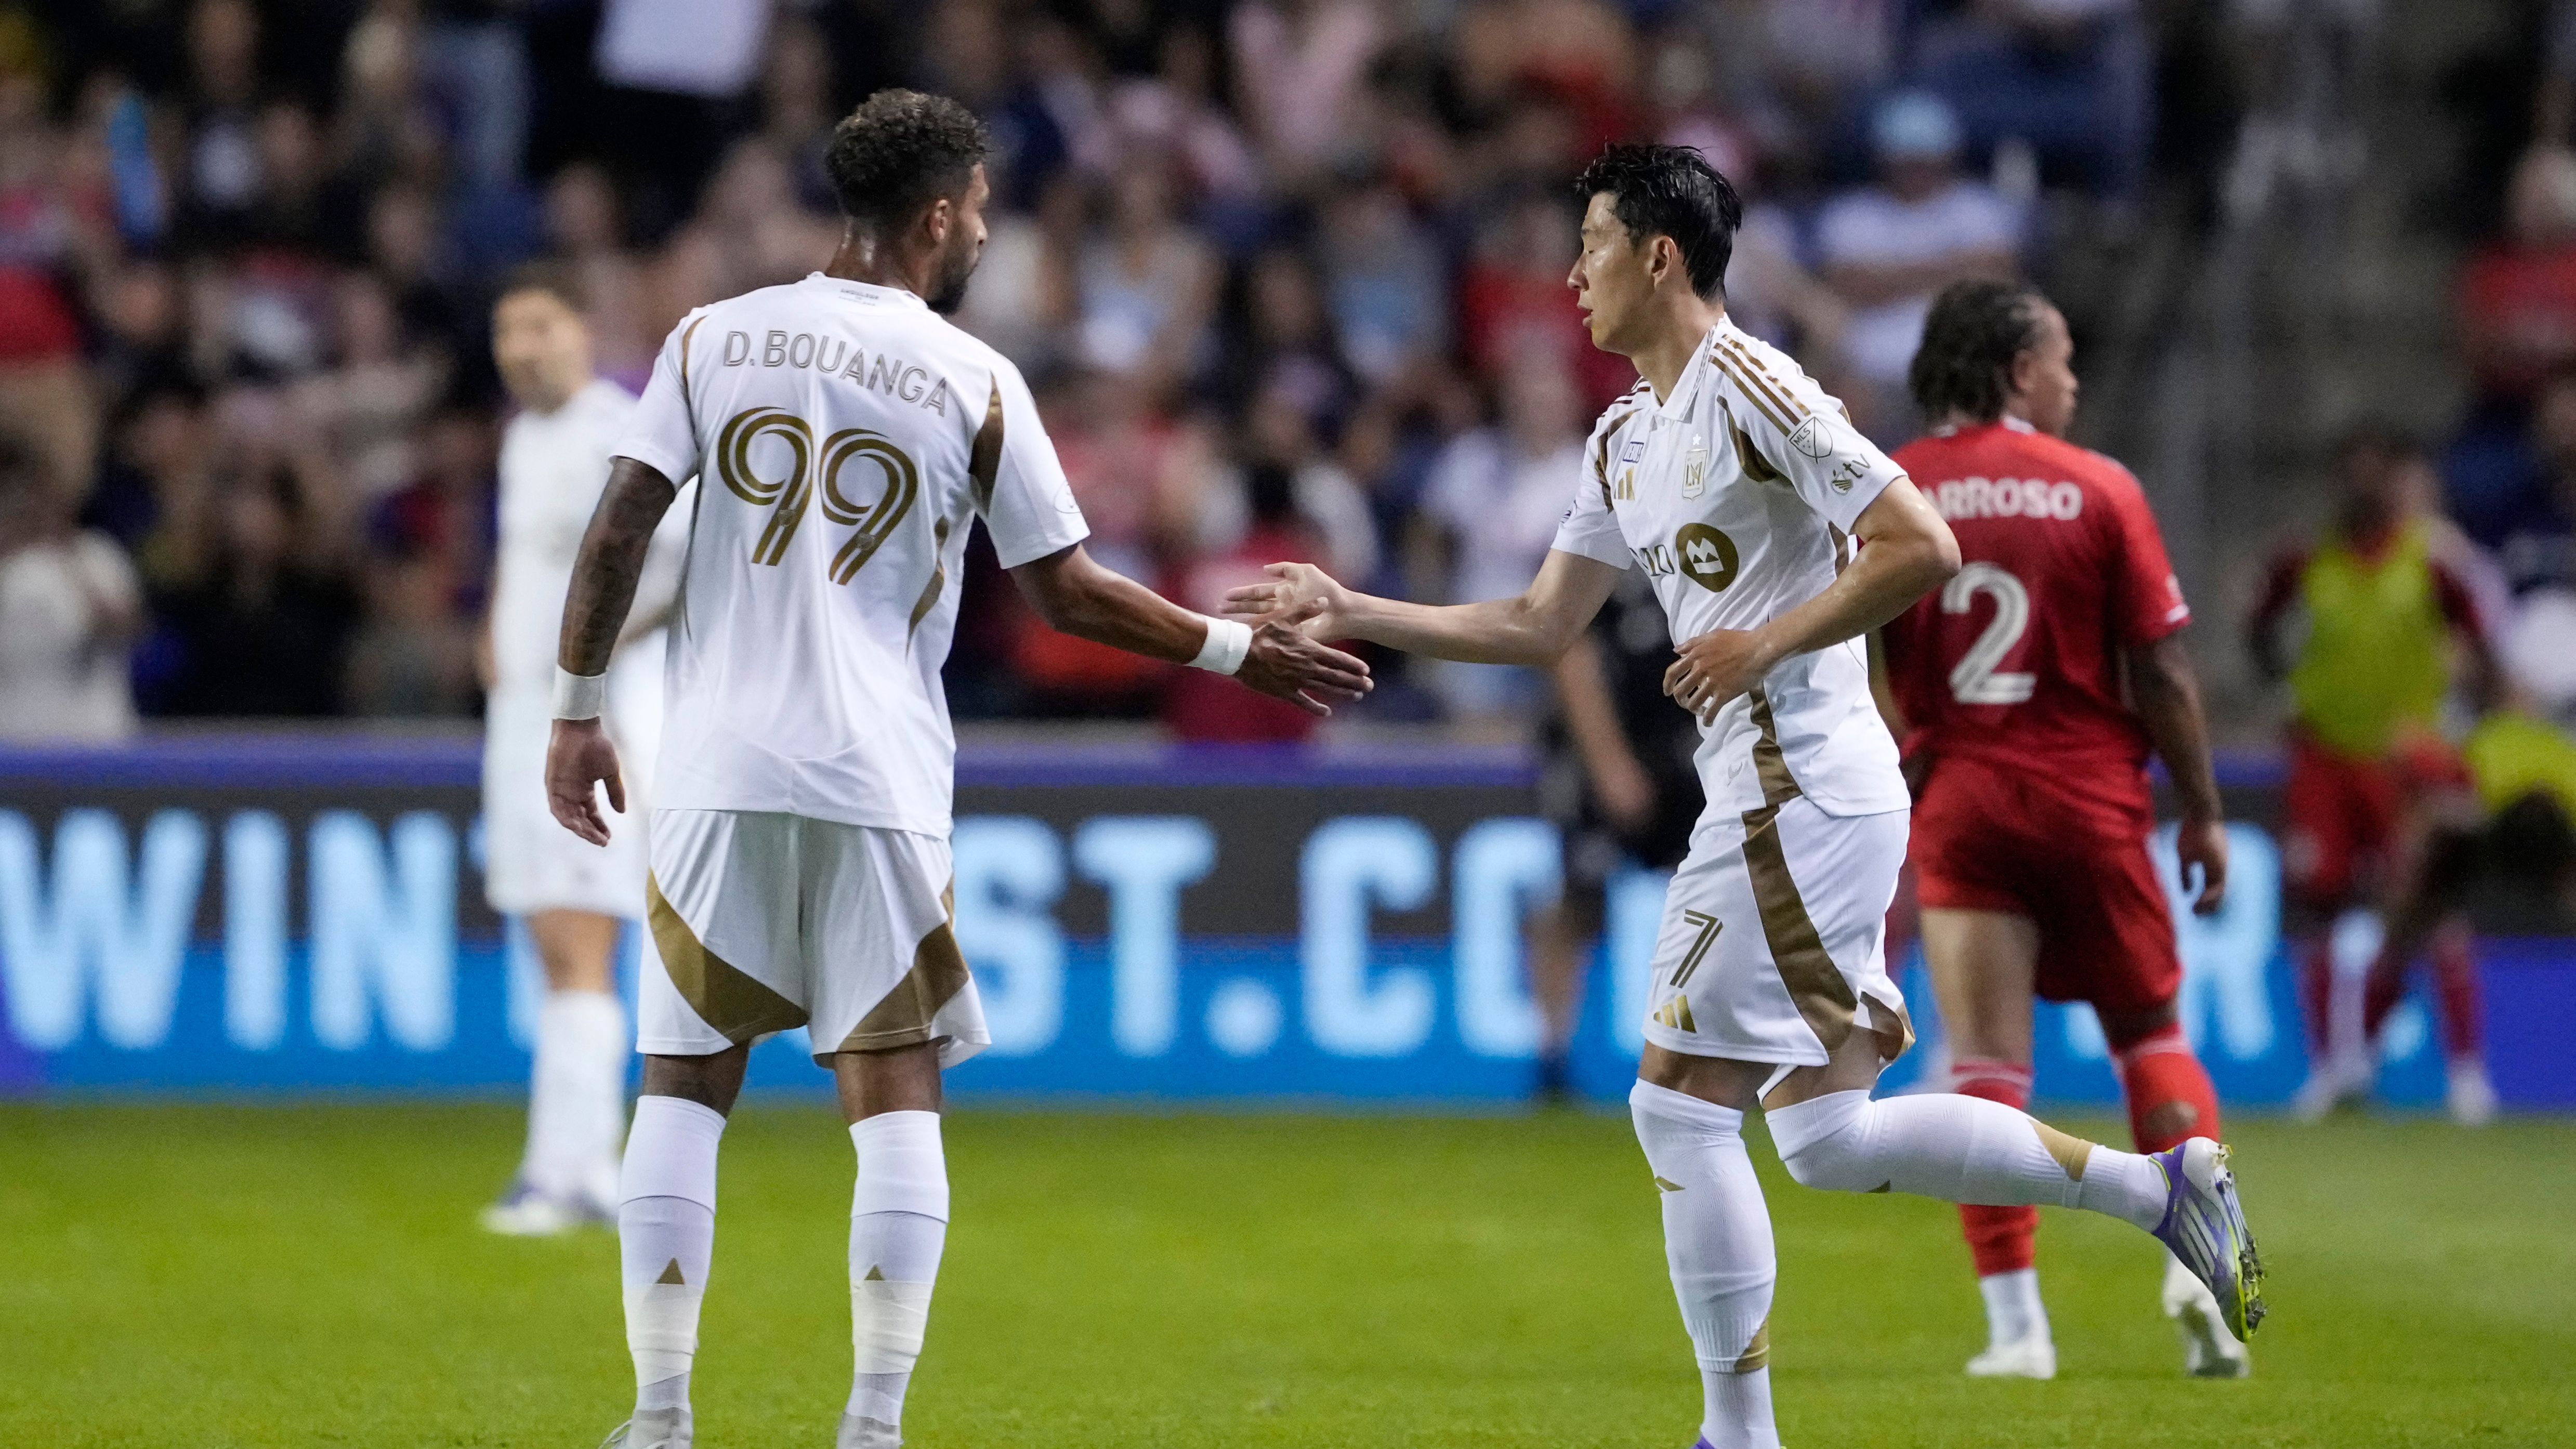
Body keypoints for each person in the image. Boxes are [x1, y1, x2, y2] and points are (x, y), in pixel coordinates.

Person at [1226, 142, 2263, 1449]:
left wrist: (1763, 644)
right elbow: (1542, 622)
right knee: (1826, 1136)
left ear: (1660, 256)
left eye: (1592, 245)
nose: (1572, 275)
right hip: (1788, 790)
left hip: (1799, 785)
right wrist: (1353, 603)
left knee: (1673, 1103)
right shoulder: (1624, 435)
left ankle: (1739, 1434)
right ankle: (2164, 1191)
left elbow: (1922, 543)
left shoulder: (1755, 386)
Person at [544, 90, 1370, 1449]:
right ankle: (871, 1422)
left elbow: (620, 525)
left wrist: (578, 710)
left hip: (714, 765)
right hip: (874, 772)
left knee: (682, 1083)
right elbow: (1068, 591)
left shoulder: (709, 337)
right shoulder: (973, 377)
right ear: (936, 216)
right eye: (980, 208)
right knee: (894, 1090)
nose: (986, 229)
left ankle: (660, 1413)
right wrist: (1233, 648)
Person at [1880, 278, 2246, 1381]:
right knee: (2149, 1031)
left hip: (1965, 798)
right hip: (2091, 798)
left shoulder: (1891, 487)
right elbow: (2162, 668)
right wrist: (2204, 809)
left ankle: (2017, 1331)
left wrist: (1908, 754)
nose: (2075, 380)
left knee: (1987, 1069)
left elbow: (1862, 654)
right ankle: (2205, 1273)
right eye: (2064, 359)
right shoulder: (2098, 487)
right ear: (2019, 370)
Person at [477, 263, 688, 1236]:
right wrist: (496, 628)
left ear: (582, 331)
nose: (522, 349)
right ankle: (569, 1168)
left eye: (540, 327)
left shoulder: (622, 432)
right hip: (522, 719)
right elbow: (528, 559)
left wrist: (586, 670)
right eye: (507, 331)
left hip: (592, 722)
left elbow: (678, 566)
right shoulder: (524, 437)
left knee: (579, 940)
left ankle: (578, 1173)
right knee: (550, 937)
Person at [2250, 428, 2502, 1124]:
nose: (2363, 488)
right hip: (2324, 756)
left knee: (2428, 910)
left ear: (2396, 482)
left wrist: (2462, 730)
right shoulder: (2304, 558)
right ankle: (2333, 1070)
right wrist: (2283, 689)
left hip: (2405, 761)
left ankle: (2467, 1075)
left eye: (2376, 474)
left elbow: (2482, 643)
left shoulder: (2434, 559)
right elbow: (2260, 628)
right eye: (2351, 473)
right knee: (2322, 910)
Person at [1526, 564, 1702, 1099]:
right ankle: (1552, 1056)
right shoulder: (1603, 539)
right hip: (1605, 745)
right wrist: (1608, 763)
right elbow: (1570, 647)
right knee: (1575, 899)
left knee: (1713, 896)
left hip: (1687, 741)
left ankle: (1718, 1051)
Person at [0, 434, 143, 742]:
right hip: (16, 737)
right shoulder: (14, 569)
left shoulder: (98, 553)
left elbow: (126, 627)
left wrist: (69, 562)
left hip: (96, 736)